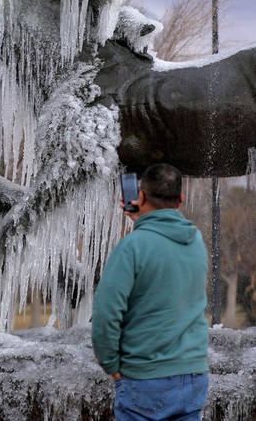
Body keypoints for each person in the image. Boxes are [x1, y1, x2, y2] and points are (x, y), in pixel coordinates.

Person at [92, 163, 209, 421]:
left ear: (141, 196)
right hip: (194, 376)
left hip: (146, 378)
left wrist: (111, 365)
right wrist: (143, 221)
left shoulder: (132, 247)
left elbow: (105, 313)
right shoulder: (196, 241)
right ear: (180, 200)